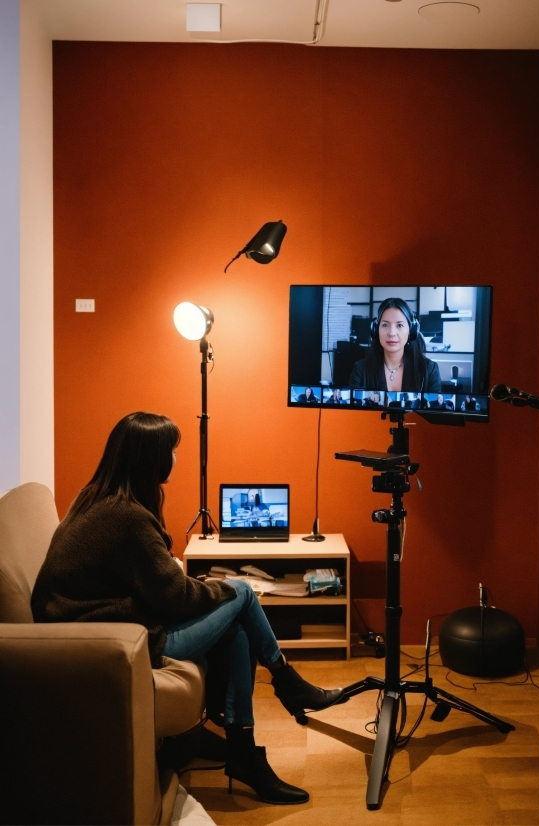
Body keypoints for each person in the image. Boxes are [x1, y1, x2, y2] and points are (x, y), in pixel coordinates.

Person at [31, 412, 343, 805]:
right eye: (172, 451)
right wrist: (216, 588)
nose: (177, 459)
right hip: (116, 641)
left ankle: (244, 744)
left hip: (111, 627)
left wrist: (204, 587)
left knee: (236, 629)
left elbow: (154, 584)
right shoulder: (126, 516)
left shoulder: (97, 496)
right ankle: (286, 684)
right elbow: (176, 598)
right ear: (151, 458)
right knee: (244, 592)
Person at [349, 298, 441, 393]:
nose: (392, 333)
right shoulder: (361, 369)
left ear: (411, 331)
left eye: (399, 325)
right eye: (385, 325)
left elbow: (434, 406)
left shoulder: (429, 369)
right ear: (375, 330)